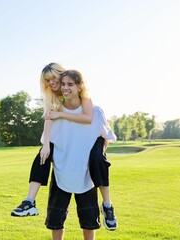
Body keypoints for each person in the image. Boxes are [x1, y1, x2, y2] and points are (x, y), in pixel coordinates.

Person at [11, 63, 118, 231]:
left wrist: (61, 114)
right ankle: (29, 201)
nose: (52, 83)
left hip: (89, 153)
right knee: (42, 154)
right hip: (62, 160)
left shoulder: (85, 98)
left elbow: (88, 117)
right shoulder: (53, 100)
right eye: (47, 81)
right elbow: (48, 119)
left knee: (98, 158)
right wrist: (46, 145)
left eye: (55, 78)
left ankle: (107, 205)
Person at [45, 70, 116, 240]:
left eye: (70, 84)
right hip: (61, 172)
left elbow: (106, 138)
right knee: (56, 220)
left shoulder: (95, 111)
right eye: (63, 84)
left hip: (86, 175)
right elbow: (47, 140)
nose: (65, 88)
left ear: (79, 87)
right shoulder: (55, 112)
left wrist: (94, 154)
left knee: (89, 221)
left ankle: (107, 206)